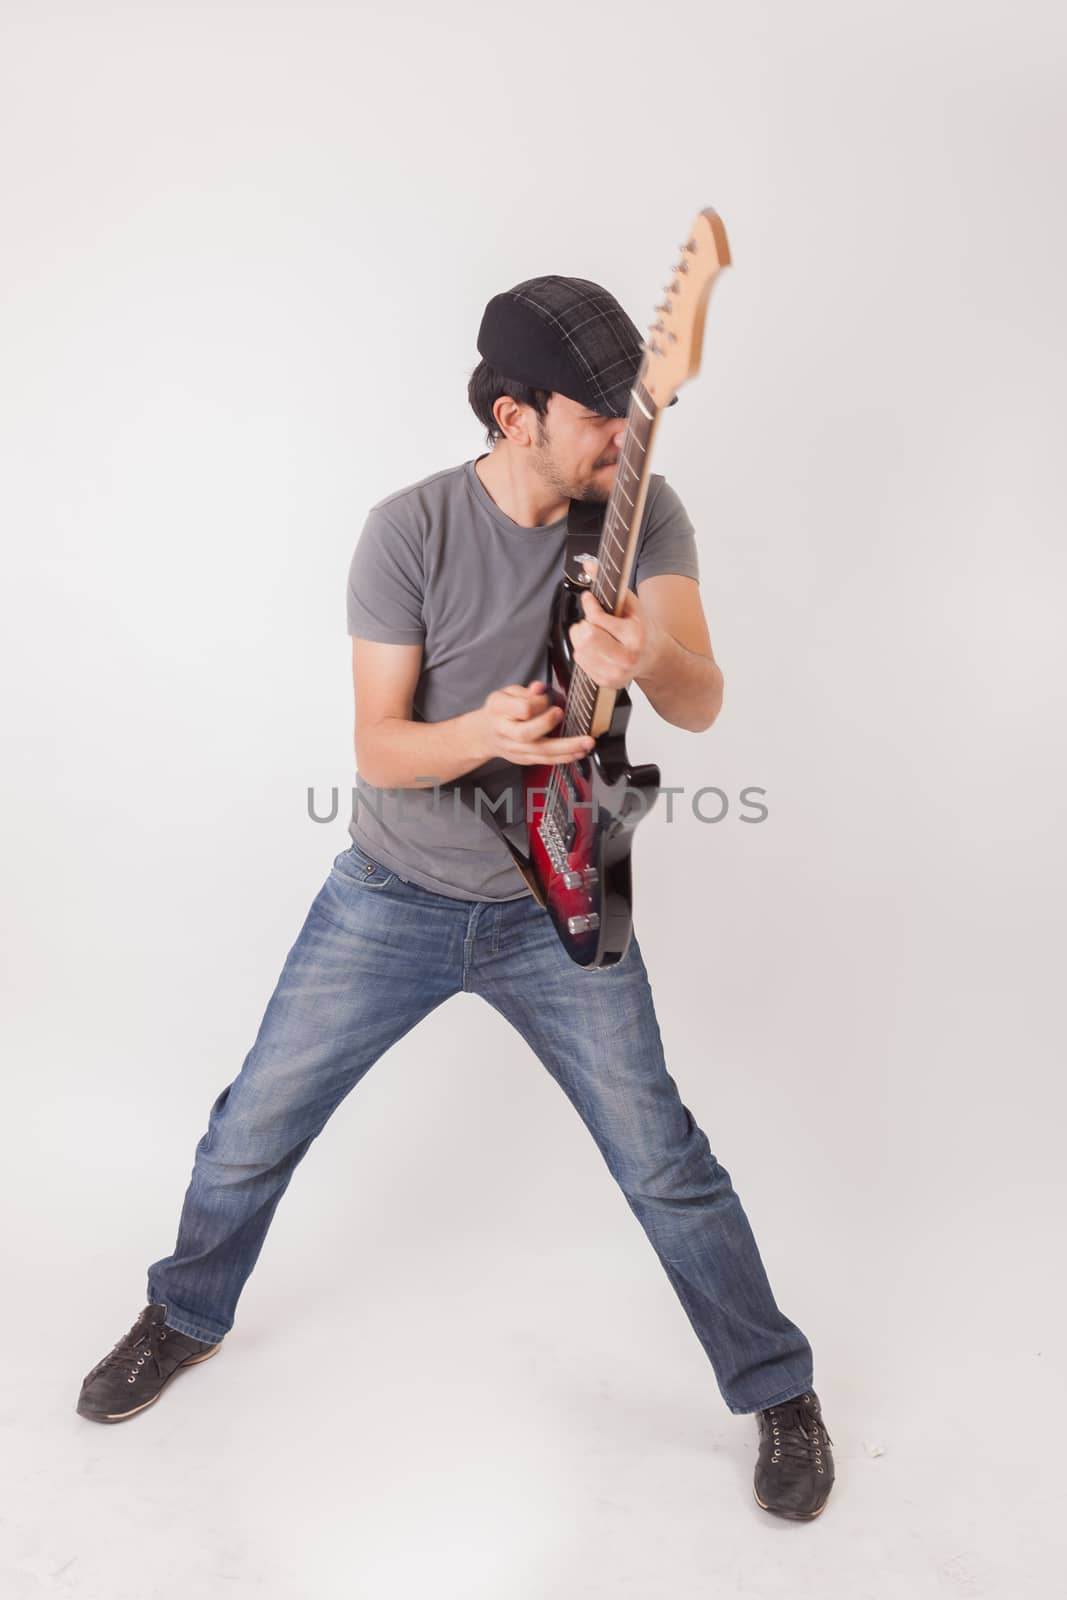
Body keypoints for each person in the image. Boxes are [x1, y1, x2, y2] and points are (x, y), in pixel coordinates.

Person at [76, 274, 834, 1520]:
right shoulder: (407, 529)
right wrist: (483, 732)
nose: (622, 439)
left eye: (634, 414)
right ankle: (185, 1311)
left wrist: (644, 651)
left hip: (568, 907)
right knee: (250, 1125)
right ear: (510, 414)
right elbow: (378, 748)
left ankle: (775, 1387)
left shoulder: (644, 510)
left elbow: (699, 700)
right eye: (598, 416)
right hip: (394, 893)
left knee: (665, 1164)